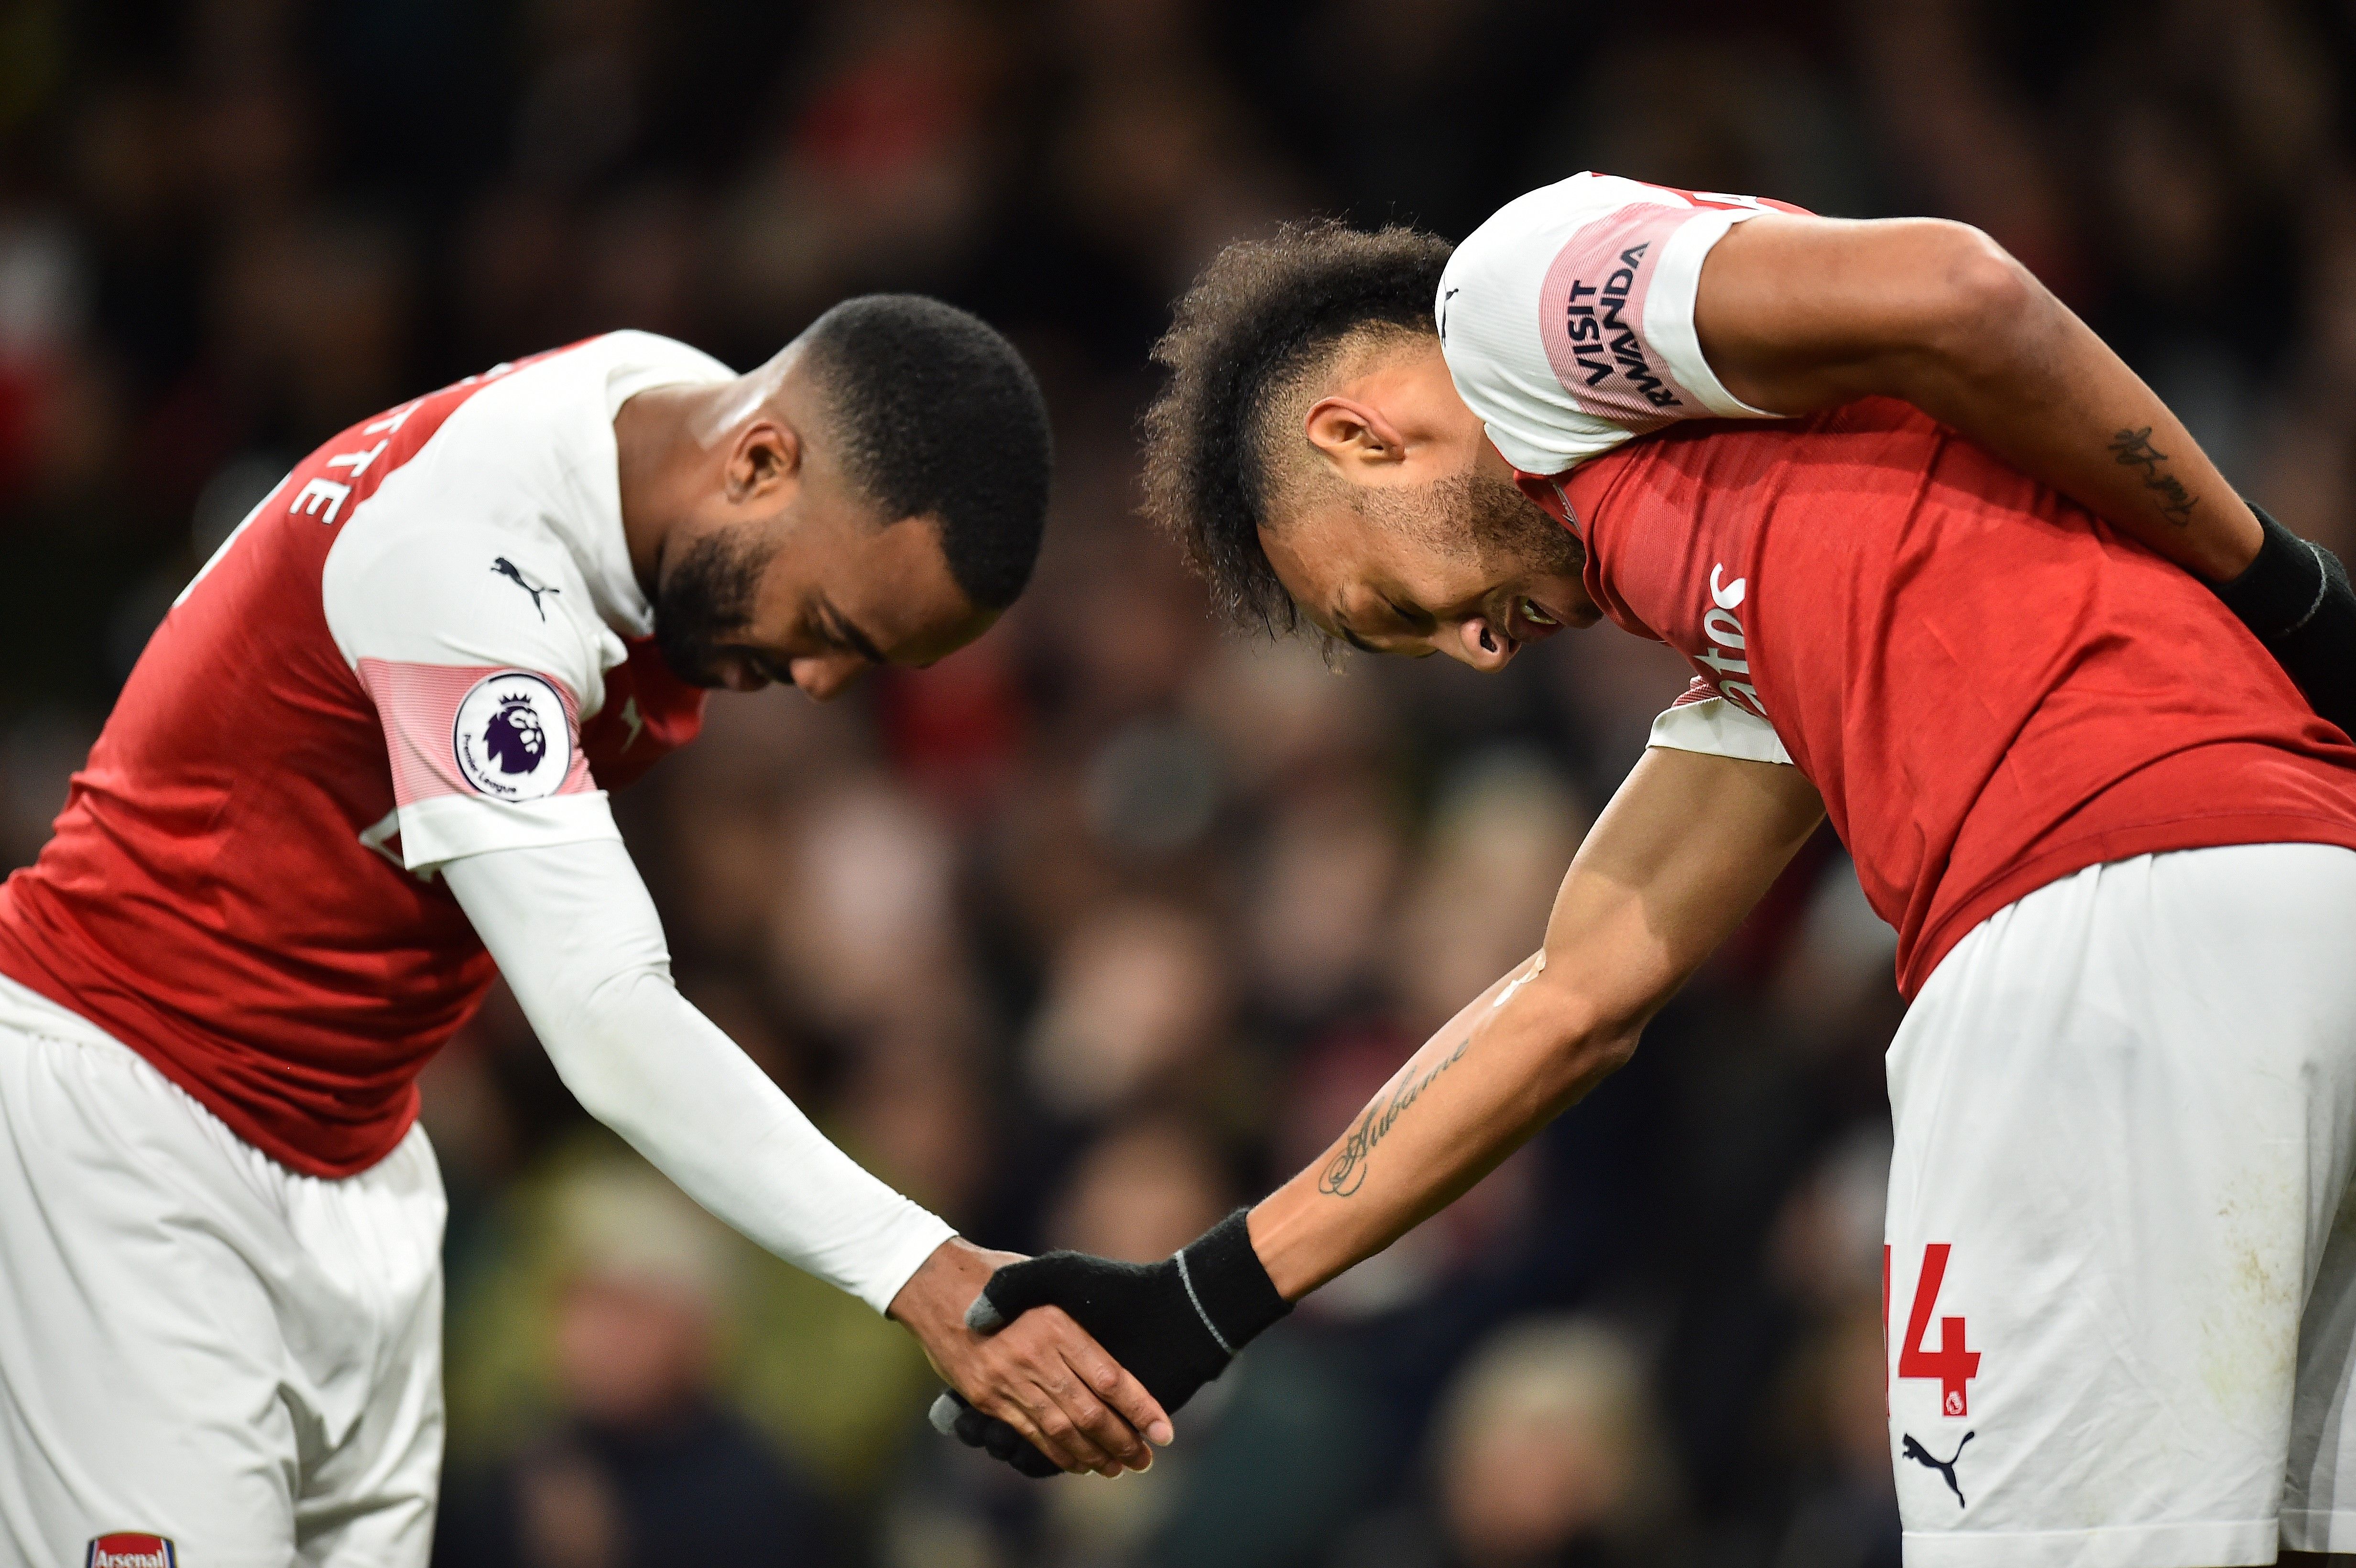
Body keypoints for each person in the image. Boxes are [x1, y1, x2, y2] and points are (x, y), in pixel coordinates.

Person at [939, 175, 2356, 1568]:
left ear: (1362, 437)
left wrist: (2279, 582)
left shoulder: (1508, 303)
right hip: (2307, 907)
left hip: (2099, 931)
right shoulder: (1771, 591)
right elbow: (1575, 996)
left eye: (1385, 607)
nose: (1473, 649)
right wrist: (1207, 1295)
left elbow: (1957, 291)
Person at [0, 297, 1170, 1568]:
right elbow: (605, 1014)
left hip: (351, 1150)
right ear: (760, 461)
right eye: (832, 627)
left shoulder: (668, 430)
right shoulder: (467, 567)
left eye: (868, 662)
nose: (825, 683)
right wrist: (925, 1271)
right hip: (130, 1125)